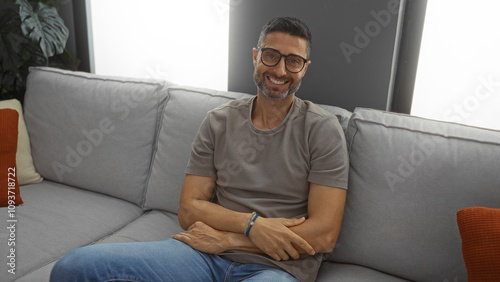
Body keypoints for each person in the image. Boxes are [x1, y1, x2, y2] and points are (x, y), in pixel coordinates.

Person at [50, 16, 348, 282]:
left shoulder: (322, 129)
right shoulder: (218, 122)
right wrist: (251, 225)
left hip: (277, 269)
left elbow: (323, 235)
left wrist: (229, 239)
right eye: (271, 56)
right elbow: (189, 209)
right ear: (256, 57)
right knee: (73, 267)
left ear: (304, 69)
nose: (281, 69)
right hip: (202, 256)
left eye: (293, 61)